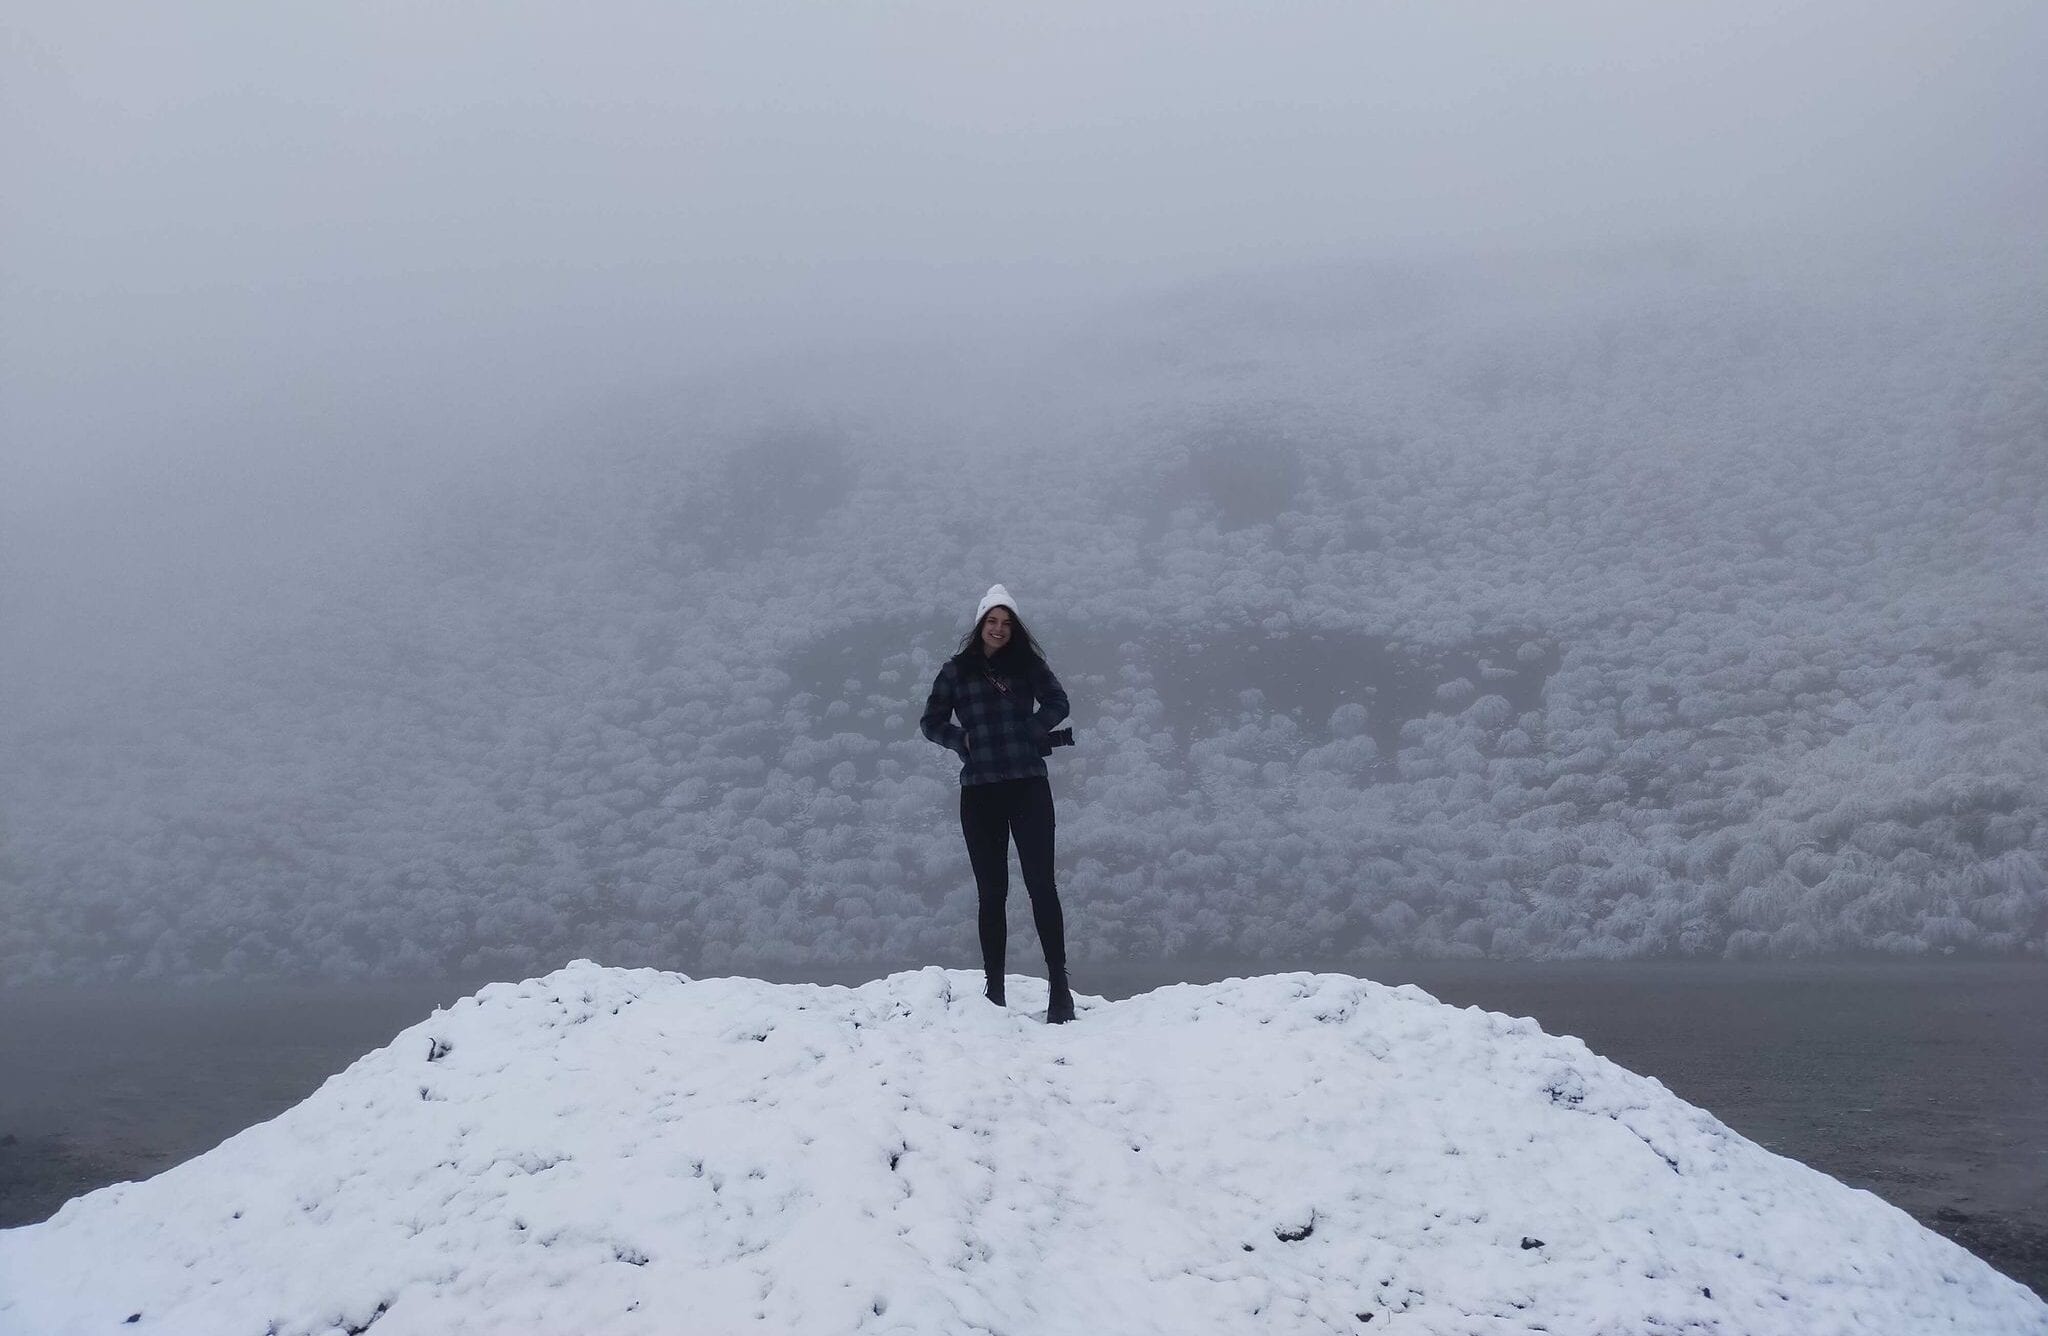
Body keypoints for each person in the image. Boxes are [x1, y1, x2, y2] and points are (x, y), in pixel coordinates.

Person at [920, 584, 1076, 1023]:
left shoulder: (1028, 666)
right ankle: (995, 993)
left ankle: (1059, 991)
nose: (999, 630)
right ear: (980, 624)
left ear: (1014, 628)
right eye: (992, 621)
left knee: (1042, 886)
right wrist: (960, 739)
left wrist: (1031, 730)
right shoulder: (956, 671)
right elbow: (930, 722)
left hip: (1028, 785)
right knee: (992, 893)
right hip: (980, 790)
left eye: (1006, 624)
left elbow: (1059, 703)